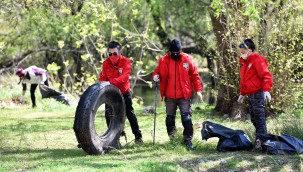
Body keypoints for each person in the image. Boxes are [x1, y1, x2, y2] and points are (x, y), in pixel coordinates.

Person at [152, 39, 203, 151]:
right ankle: (173, 140)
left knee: (186, 118)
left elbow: (195, 75)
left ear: (180, 51)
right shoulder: (163, 60)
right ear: (169, 51)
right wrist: (155, 76)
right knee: (170, 119)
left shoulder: (187, 59)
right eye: (172, 53)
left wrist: (198, 90)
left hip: (184, 95)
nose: (175, 55)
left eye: (177, 53)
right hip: (169, 96)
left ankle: (188, 141)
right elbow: (157, 72)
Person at [99, 41, 143, 145]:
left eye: (115, 53)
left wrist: (111, 82)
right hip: (110, 93)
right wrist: (106, 84)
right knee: (108, 115)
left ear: (120, 52)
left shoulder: (126, 62)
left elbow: (124, 78)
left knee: (130, 114)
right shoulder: (105, 63)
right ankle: (113, 140)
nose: (112, 56)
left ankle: (138, 137)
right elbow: (102, 78)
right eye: (110, 54)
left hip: (124, 92)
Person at [237, 38, 273, 150]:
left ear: (250, 50)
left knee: (259, 118)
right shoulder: (244, 64)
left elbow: (266, 75)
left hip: (258, 93)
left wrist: (266, 90)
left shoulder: (258, 60)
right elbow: (244, 81)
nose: (242, 53)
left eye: (243, 50)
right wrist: (242, 94)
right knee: (253, 118)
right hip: (250, 94)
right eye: (241, 51)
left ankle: (262, 142)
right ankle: (260, 140)